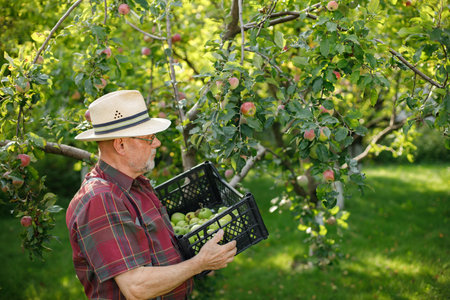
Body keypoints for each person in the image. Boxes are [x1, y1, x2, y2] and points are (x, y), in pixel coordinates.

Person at [66, 90, 237, 300]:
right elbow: (136, 288)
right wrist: (199, 263)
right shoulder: (100, 200)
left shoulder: (137, 185)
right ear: (121, 145)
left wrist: (201, 258)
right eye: (149, 138)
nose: (157, 143)